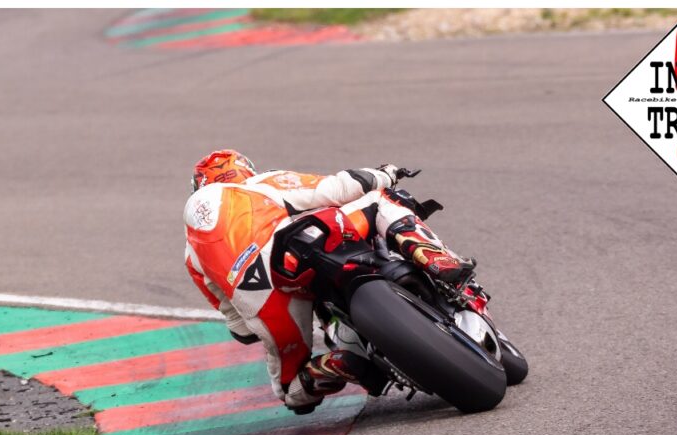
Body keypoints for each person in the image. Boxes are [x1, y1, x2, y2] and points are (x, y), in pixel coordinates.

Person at [183, 149, 474, 413]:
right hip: (290, 251)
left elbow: (239, 328)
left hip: (263, 300)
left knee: (289, 392)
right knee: (379, 199)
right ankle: (435, 258)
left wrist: (254, 323)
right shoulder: (256, 184)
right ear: (245, 170)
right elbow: (336, 188)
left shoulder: (191, 252)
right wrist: (386, 174)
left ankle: (334, 365)